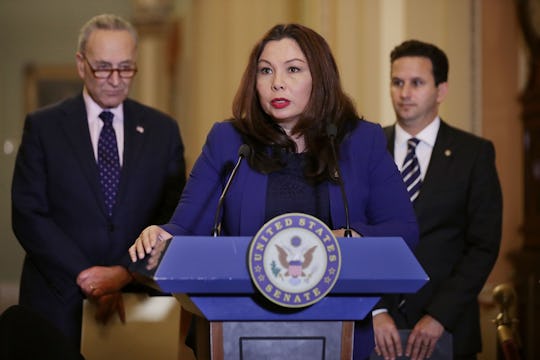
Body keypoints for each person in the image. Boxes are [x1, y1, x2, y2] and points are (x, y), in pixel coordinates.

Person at [129, 23, 418, 359]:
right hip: (238, 330)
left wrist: (348, 237)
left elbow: (403, 230)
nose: (276, 82)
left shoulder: (360, 140)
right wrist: (160, 234)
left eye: (293, 69)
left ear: (320, 78)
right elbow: (186, 225)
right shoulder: (228, 141)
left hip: (340, 329)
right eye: (265, 71)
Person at [11, 14, 186, 348]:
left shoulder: (163, 131)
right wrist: (85, 275)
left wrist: (122, 272)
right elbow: (28, 214)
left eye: (126, 68)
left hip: (138, 301)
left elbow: (173, 216)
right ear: (81, 64)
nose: (116, 79)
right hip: (57, 298)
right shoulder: (43, 127)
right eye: (103, 67)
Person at [372, 39, 502, 360]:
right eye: (397, 82)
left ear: (441, 90)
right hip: (376, 333)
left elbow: (483, 245)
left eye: (417, 83)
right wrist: (373, 312)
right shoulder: (367, 148)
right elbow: (349, 237)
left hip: (446, 330)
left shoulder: (475, 154)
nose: (405, 93)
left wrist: (439, 316)